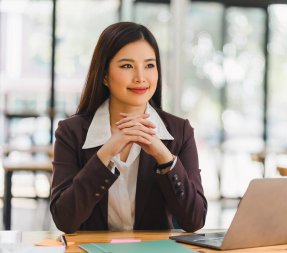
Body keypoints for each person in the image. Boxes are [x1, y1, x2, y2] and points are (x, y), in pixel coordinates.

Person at [50, 22, 207, 233]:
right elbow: (65, 220)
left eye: (150, 65)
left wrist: (164, 156)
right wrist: (106, 153)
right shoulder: (71, 132)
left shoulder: (180, 131)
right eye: (127, 66)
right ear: (104, 75)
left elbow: (195, 220)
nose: (141, 77)